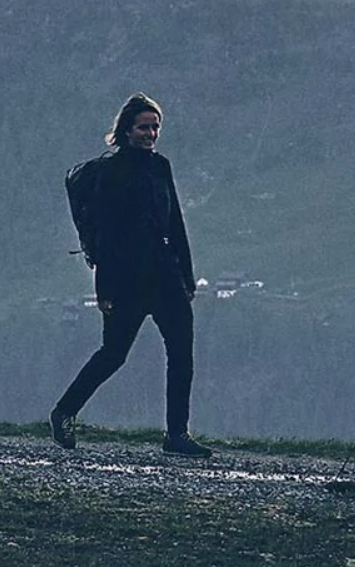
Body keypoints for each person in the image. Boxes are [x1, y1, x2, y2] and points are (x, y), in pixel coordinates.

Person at [51, 93, 212, 458]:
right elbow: (105, 234)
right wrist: (103, 288)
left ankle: (177, 434)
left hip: (166, 276)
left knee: (182, 354)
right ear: (126, 130)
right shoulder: (111, 173)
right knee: (114, 354)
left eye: (155, 127)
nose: (151, 133)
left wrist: (186, 277)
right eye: (144, 127)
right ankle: (64, 412)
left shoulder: (161, 167)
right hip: (127, 282)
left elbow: (175, 223)